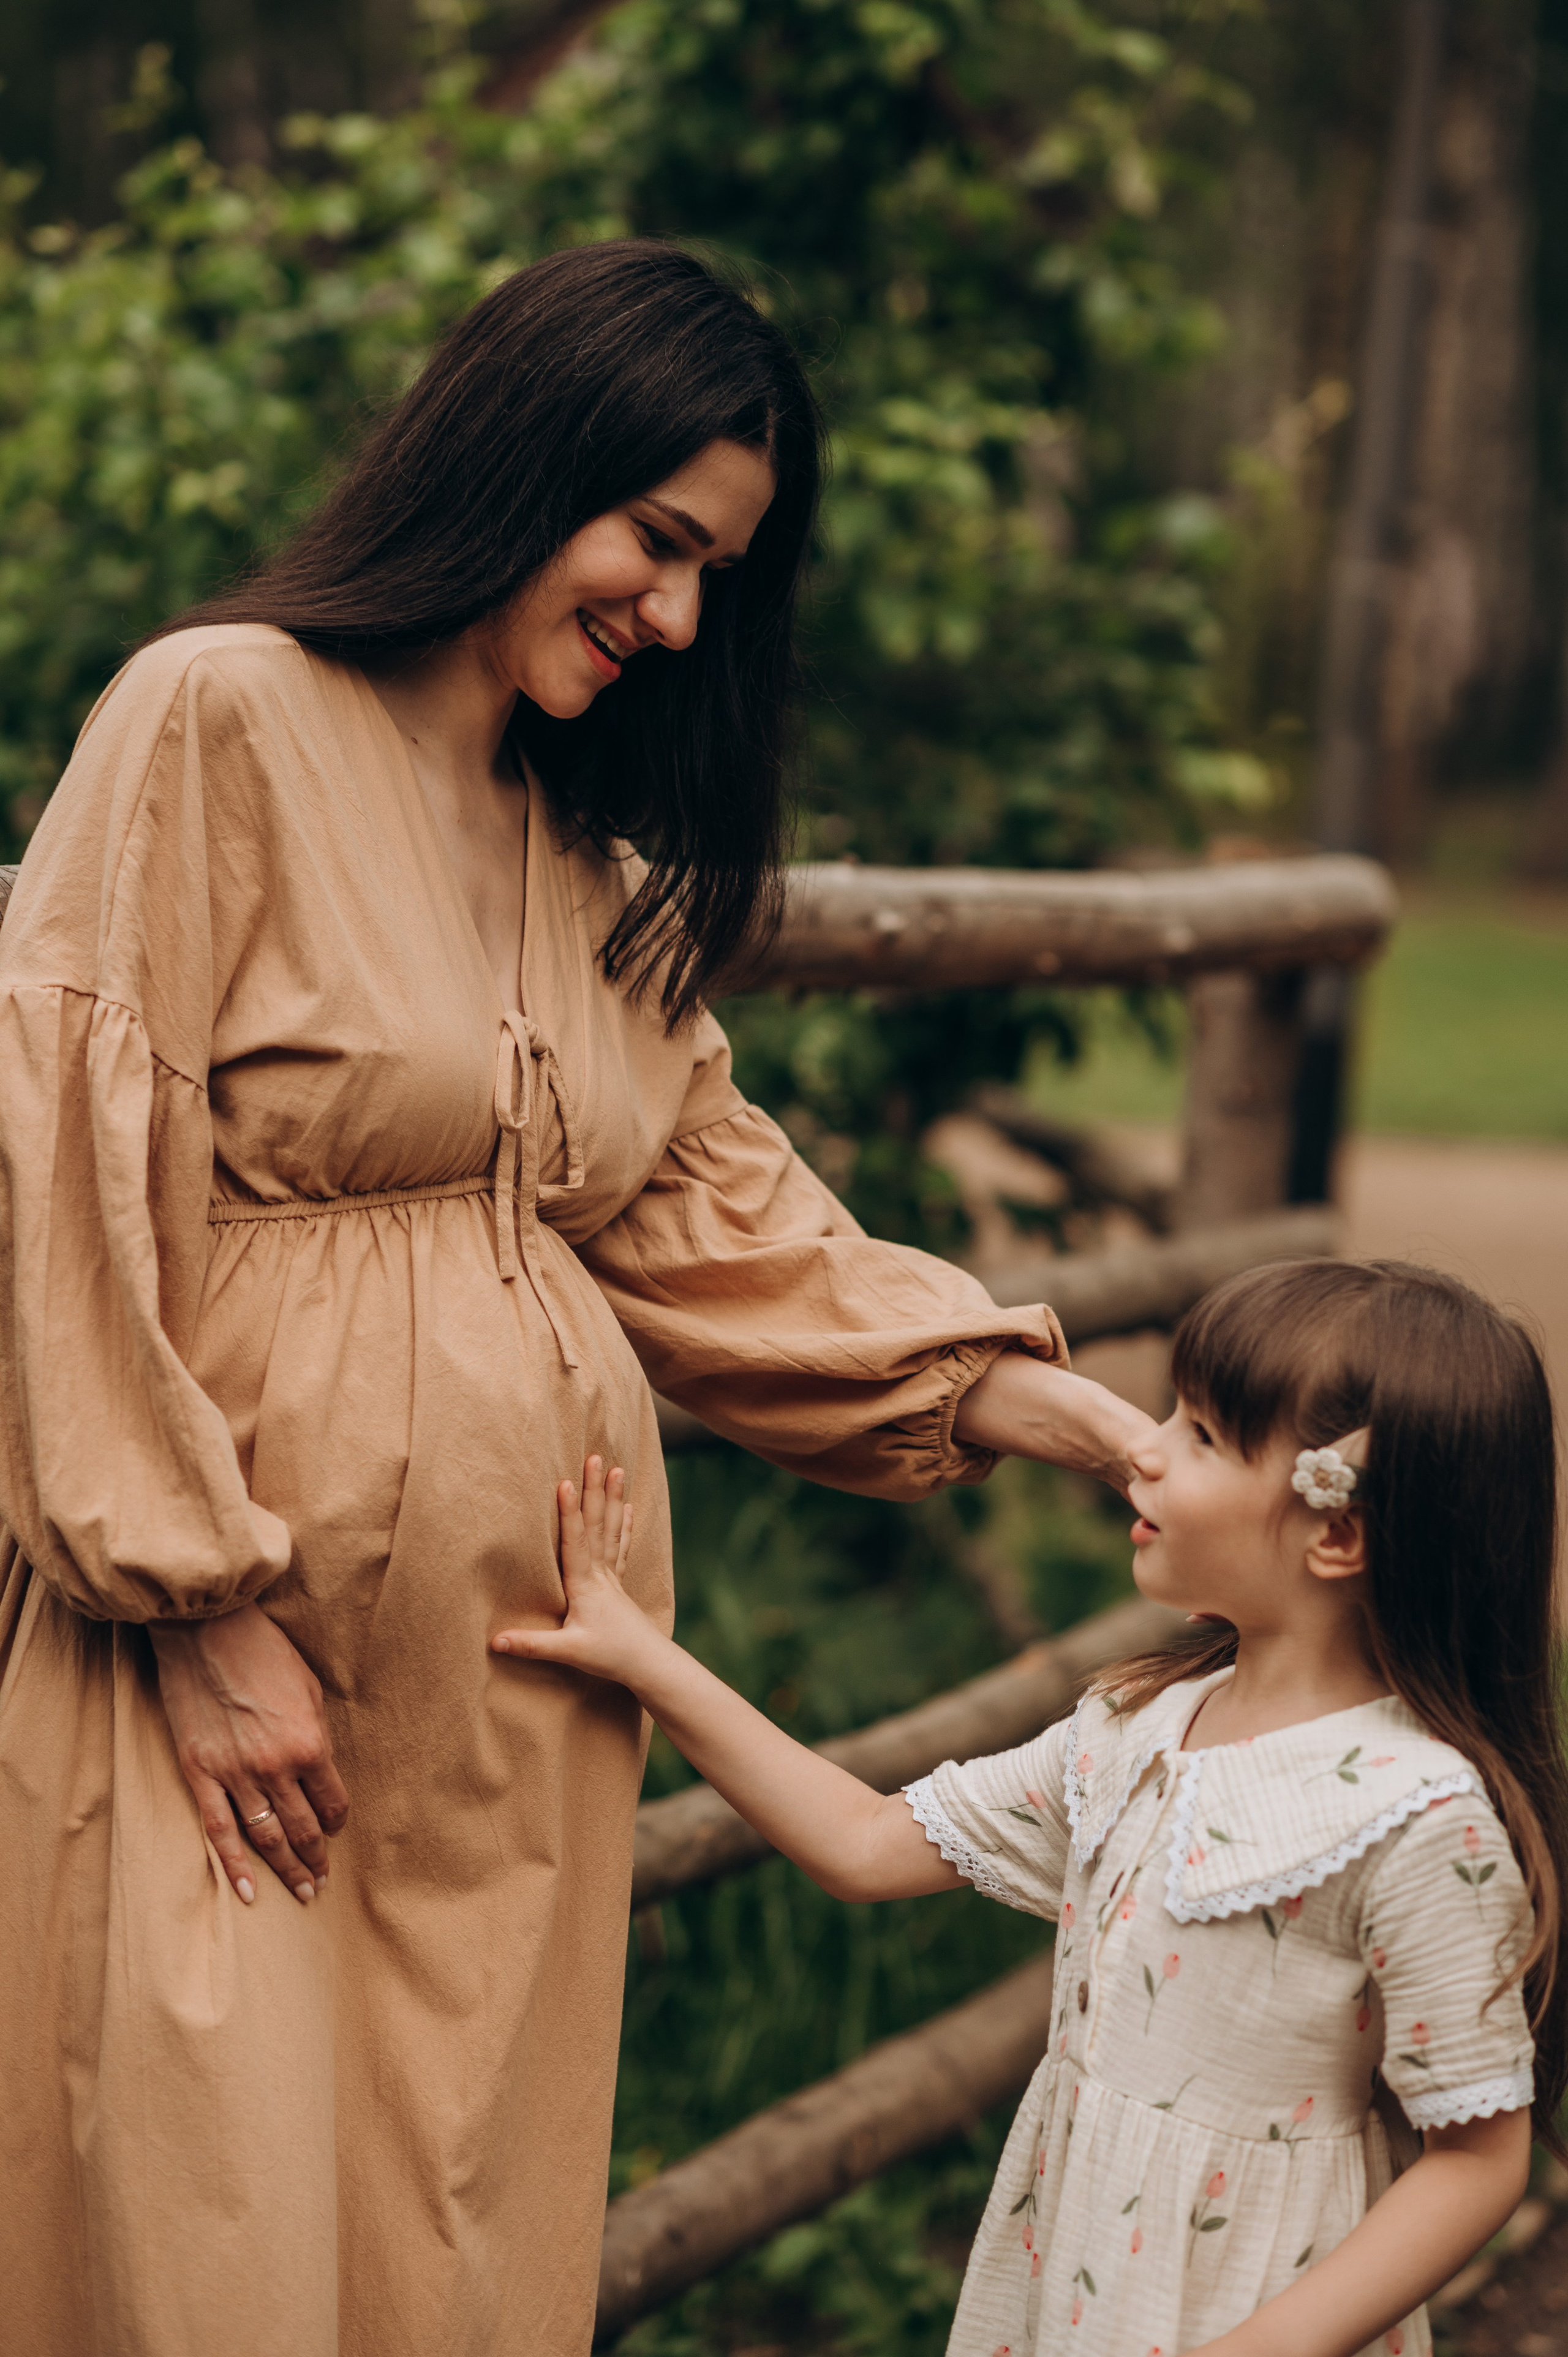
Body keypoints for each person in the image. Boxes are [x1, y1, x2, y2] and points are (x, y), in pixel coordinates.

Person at [0, 239, 1152, 2357]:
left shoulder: (580, 856)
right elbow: (60, 1179)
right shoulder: (217, 716)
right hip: (241, 1697)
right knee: (210, 2233)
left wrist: (1048, 1405)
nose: (682, 614)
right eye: (658, 539)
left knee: (451, 2250)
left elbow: (737, 1221)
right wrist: (195, 1608)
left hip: (515, 1722)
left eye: (722, 569)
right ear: (527, 460)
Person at [505, 1257, 1568, 2357]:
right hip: (1070, 2287)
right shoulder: (1136, 1729)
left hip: (1258, 2307)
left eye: (1201, 1435)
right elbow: (865, 1845)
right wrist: (642, 1656)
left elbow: (1480, 2162)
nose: (1142, 1447)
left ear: (1336, 1533)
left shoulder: (1418, 1818)